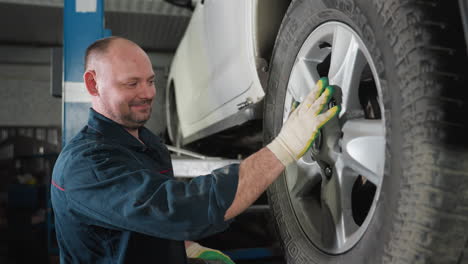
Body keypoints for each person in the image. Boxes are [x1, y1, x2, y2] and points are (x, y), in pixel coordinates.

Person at [50, 36, 339, 264]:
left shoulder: (146, 143)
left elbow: (143, 216)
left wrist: (185, 248)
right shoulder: (86, 166)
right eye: (132, 83)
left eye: (151, 81)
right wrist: (284, 147)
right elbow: (182, 209)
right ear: (93, 83)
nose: (148, 93)